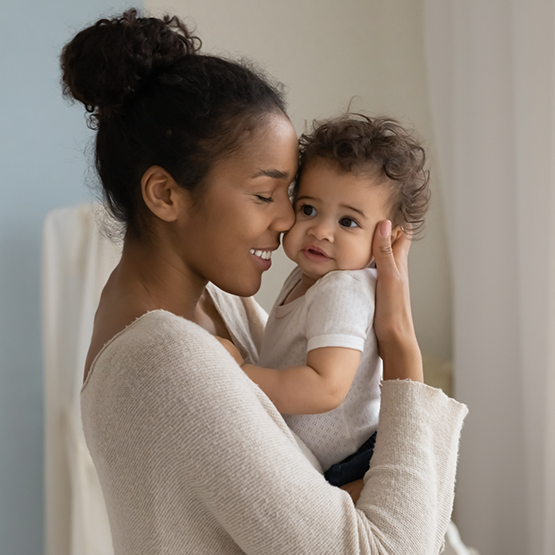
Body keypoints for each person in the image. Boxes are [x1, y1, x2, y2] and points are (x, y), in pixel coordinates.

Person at [63, 9, 468, 554]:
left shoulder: (212, 306)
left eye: (288, 196)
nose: (286, 222)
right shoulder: (166, 359)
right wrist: (399, 342)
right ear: (164, 195)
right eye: (265, 195)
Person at [223, 115, 430, 488]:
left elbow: (325, 387)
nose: (320, 230)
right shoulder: (310, 277)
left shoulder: (342, 289)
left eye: (348, 222)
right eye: (308, 209)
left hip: (353, 462)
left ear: (387, 239)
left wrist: (239, 375)